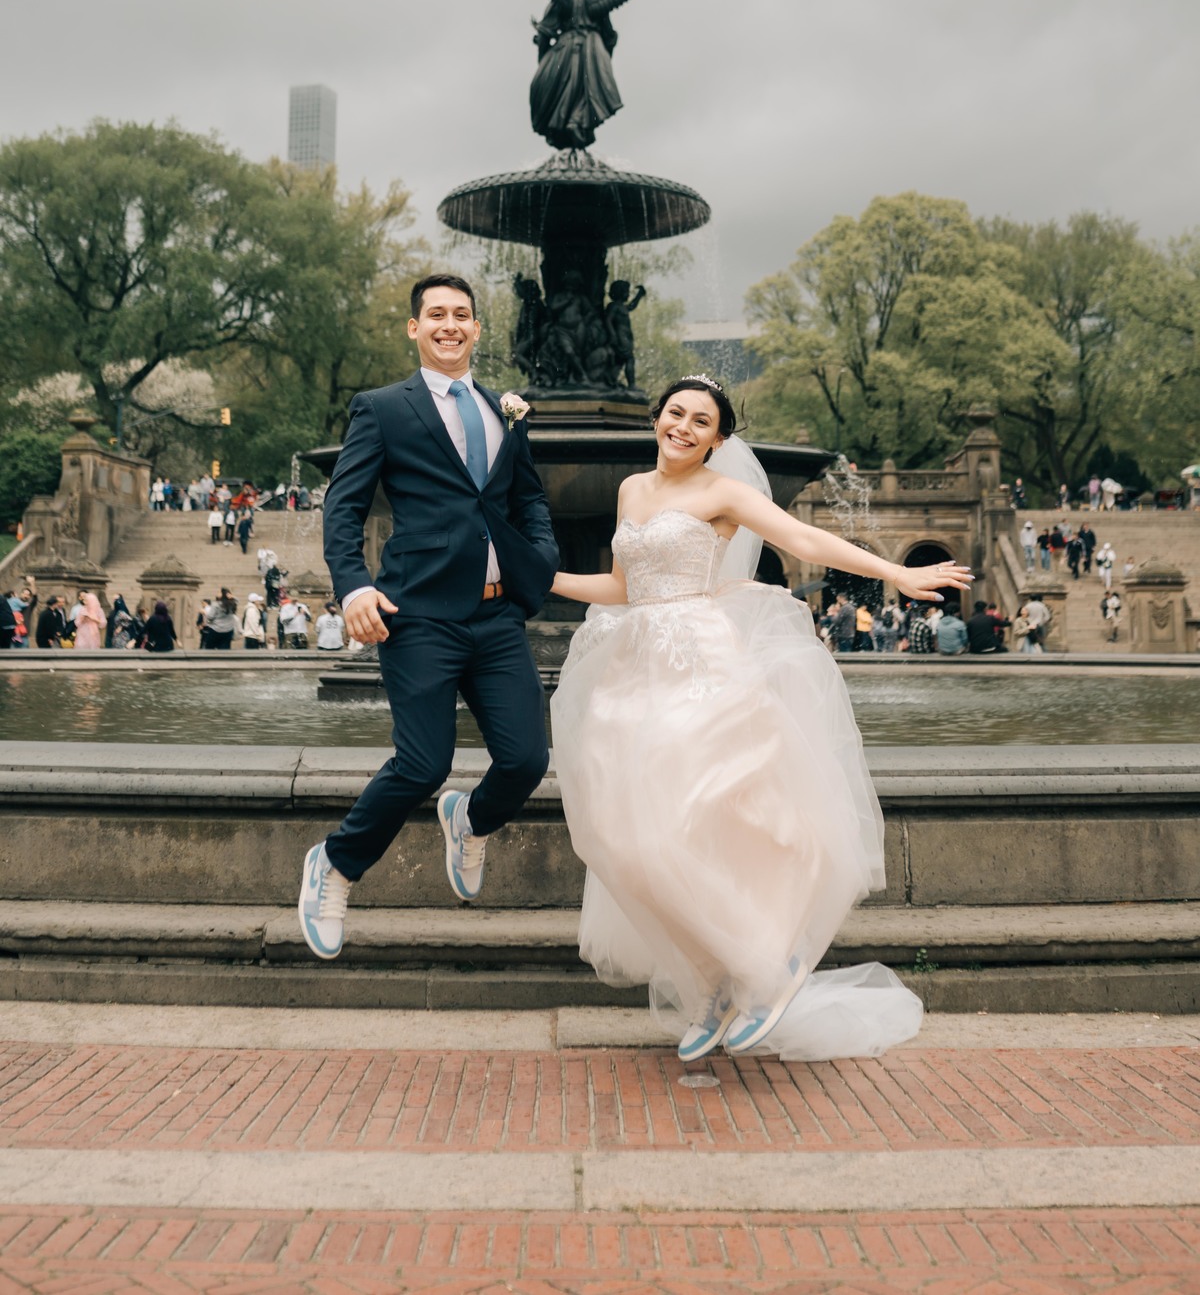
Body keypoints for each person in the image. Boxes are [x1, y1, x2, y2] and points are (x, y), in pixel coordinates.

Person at [549, 375, 970, 1063]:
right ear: (657, 417)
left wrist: (897, 573)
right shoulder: (630, 490)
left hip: (701, 665)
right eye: (675, 413)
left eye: (701, 420)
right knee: (621, 841)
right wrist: (550, 580)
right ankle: (712, 981)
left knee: (679, 825)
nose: (683, 427)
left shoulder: (722, 492)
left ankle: (765, 970)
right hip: (634, 669)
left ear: (718, 436)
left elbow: (803, 537)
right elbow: (625, 589)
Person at [300, 274, 559, 963]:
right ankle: (336, 864)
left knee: (528, 758)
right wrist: (352, 585)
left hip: (497, 613)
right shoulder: (384, 407)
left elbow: (527, 496)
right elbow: (344, 505)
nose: (450, 324)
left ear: (477, 328)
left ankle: (468, 820)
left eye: (462, 314)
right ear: (414, 328)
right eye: (436, 314)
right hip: (416, 614)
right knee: (422, 763)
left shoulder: (503, 409)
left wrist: (541, 555)